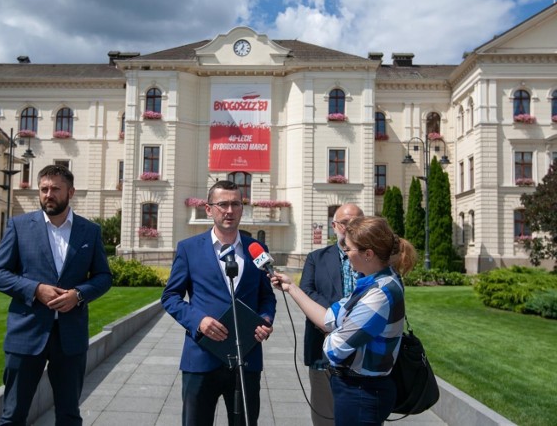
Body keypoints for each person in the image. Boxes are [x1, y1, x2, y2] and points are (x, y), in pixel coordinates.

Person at [0, 165, 112, 426]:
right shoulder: (20, 226)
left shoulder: (89, 231)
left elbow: (103, 277)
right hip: (26, 333)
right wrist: (35, 289)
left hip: (70, 337)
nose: (48, 194)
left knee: (68, 415)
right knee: (12, 416)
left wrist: (78, 294)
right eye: (44, 189)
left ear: (71, 192)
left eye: (55, 188)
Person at [271, 216, 417, 426]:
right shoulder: (371, 282)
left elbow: (335, 348)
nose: (346, 256)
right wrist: (291, 288)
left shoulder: (380, 293)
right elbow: (329, 318)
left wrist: (336, 333)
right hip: (355, 388)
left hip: (363, 391)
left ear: (368, 254)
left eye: (349, 250)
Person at [161, 180, 276, 426]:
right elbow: (170, 297)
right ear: (208, 209)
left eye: (236, 204)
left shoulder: (257, 249)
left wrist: (266, 318)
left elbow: (267, 296)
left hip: (246, 357)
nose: (229, 210)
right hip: (202, 357)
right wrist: (198, 321)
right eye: (222, 204)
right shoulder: (189, 248)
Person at [299, 203, 363, 425]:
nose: (349, 228)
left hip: (364, 354)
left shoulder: (373, 259)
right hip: (323, 351)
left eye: (355, 223)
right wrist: (334, 319)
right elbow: (307, 291)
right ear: (334, 226)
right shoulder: (316, 258)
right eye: (344, 223)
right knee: (325, 417)